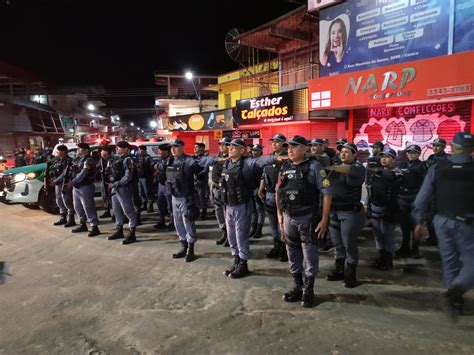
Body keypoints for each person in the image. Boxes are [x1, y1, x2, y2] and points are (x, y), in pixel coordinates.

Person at [413, 132, 474, 319]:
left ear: (452, 147)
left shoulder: (437, 167)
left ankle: (455, 300)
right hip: (467, 222)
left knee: (449, 260)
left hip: (441, 221)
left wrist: (419, 221)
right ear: (471, 150)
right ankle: (458, 287)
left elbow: (421, 199)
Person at [276, 135, 332, 308]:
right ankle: (297, 286)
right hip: (288, 217)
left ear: (304, 149)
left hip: (307, 218)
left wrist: (324, 219)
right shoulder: (284, 166)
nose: (290, 150)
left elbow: (327, 193)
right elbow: (279, 191)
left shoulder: (315, 167)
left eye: (294, 146)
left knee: (309, 254)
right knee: (292, 253)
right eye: (288, 147)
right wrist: (279, 214)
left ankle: (309, 290)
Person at [220, 139, 283, 278]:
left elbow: (262, 161)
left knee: (241, 236)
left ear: (242, 150)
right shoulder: (227, 162)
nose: (230, 148)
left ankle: (243, 264)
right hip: (228, 205)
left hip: (242, 205)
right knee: (231, 236)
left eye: (234, 147)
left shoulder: (248, 162)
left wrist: (276, 157)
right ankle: (236, 260)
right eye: (230, 146)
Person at [166, 139, 215, 262]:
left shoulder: (189, 161)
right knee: (178, 224)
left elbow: (203, 162)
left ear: (183, 148)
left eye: (176, 147)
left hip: (186, 197)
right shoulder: (171, 160)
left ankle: (190, 250)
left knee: (188, 223)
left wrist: (216, 160)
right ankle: (183, 247)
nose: (173, 149)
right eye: (172, 147)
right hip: (174, 197)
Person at [325, 142, 366, 288]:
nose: (343, 154)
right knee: (338, 244)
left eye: (347, 152)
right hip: (334, 212)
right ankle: (339, 270)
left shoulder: (357, 168)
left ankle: (351, 275)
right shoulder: (336, 168)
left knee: (349, 245)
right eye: (341, 151)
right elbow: (326, 183)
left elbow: (347, 169)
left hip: (350, 213)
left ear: (354, 154)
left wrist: (329, 167)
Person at [366, 148, 403, 270]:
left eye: (387, 157)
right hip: (375, 207)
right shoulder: (377, 173)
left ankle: (388, 260)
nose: (384, 159)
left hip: (389, 209)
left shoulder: (397, 172)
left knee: (387, 235)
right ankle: (381, 257)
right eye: (382, 156)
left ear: (393, 159)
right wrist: (368, 205)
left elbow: (393, 178)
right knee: (377, 235)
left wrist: (376, 171)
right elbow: (370, 190)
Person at [259, 134, 288, 261]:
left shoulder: (288, 157)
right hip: (270, 195)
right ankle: (276, 246)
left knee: (283, 224)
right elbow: (264, 175)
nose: (274, 144)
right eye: (273, 142)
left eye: (277, 142)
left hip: (283, 195)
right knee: (273, 224)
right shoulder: (269, 158)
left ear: (283, 143)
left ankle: (284, 249)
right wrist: (261, 189)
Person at [395, 144, 426, 258]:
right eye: (409, 152)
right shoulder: (402, 164)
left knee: (416, 225)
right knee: (404, 225)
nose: (410, 154)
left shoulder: (422, 166)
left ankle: (415, 249)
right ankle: (405, 247)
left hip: (416, 197)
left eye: (413, 152)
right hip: (403, 197)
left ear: (418, 154)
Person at [107, 141, 138, 245]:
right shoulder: (117, 159)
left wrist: (116, 184)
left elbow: (128, 176)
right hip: (115, 188)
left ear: (126, 149)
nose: (117, 149)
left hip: (124, 188)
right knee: (116, 210)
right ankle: (119, 230)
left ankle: (132, 233)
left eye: (119, 147)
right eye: (117, 147)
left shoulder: (128, 159)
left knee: (128, 211)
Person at [66, 143, 100, 237]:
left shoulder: (88, 160)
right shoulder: (77, 160)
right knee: (78, 207)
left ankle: (94, 226)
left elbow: (84, 173)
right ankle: (82, 224)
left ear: (86, 150)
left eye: (79, 149)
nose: (77, 150)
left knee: (88, 207)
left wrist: (73, 182)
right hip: (76, 187)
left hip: (85, 186)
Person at [424, 138, 450, 246]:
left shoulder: (449, 158)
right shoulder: (431, 158)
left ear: (444, 147)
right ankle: (432, 238)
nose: (435, 148)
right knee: (429, 217)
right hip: (431, 192)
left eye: (438, 145)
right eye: (434, 145)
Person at [211, 137, 231, 246]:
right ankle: (223, 232)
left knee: (226, 212)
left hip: (224, 189)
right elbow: (212, 172)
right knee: (219, 212)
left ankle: (229, 235)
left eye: (224, 144)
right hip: (215, 188)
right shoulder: (218, 156)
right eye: (221, 144)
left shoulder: (230, 159)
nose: (222, 146)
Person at [50, 145, 76, 228]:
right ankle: (63, 217)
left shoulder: (69, 161)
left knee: (67, 201)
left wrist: (56, 180)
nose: (57, 153)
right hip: (57, 183)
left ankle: (71, 219)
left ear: (63, 152)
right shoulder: (57, 160)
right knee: (59, 201)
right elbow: (53, 170)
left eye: (58, 151)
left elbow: (65, 173)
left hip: (65, 182)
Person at [154, 143, 174, 231]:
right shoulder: (161, 159)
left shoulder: (172, 160)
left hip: (168, 184)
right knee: (160, 204)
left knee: (170, 205)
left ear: (166, 151)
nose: (158, 152)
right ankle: (161, 221)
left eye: (160, 150)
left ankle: (172, 222)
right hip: (161, 185)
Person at [249, 144, 266, 239]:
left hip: (259, 188)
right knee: (253, 210)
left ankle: (259, 229)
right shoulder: (250, 161)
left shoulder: (263, 162)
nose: (254, 152)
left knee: (260, 210)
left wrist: (261, 189)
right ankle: (253, 228)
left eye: (256, 150)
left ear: (260, 151)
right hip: (251, 188)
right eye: (253, 150)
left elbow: (264, 177)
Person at [193, 142, 210, 220]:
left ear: (202, 148)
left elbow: (205, 170)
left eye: (197, 147)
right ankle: (196, 212)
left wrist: (197, 175)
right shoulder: (194, 158)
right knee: (195, 197)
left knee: (201, 197)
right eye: (195, 147)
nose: (195, 148)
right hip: (193, 181)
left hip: (201, 181)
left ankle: (203, 212)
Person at [137, 145, 156, 213]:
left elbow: (152, 167)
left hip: (147, 177)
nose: (139, 151)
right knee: (141, 192)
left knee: (147, 191)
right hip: (140, 177)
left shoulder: (148, 158)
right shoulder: (138, 158)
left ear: (144, 150)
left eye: (140, 150)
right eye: (138, 150)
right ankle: (144, 204)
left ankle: (150, 205)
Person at [98, 146, 114, 219]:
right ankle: (107, 211)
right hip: (103, 180)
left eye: (102, 151)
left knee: (112, 197)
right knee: (104, 196)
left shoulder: (112, 160)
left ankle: (115, 213)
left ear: (106, 152)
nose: (101, 152)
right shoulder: (101, 160)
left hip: (110, 182)